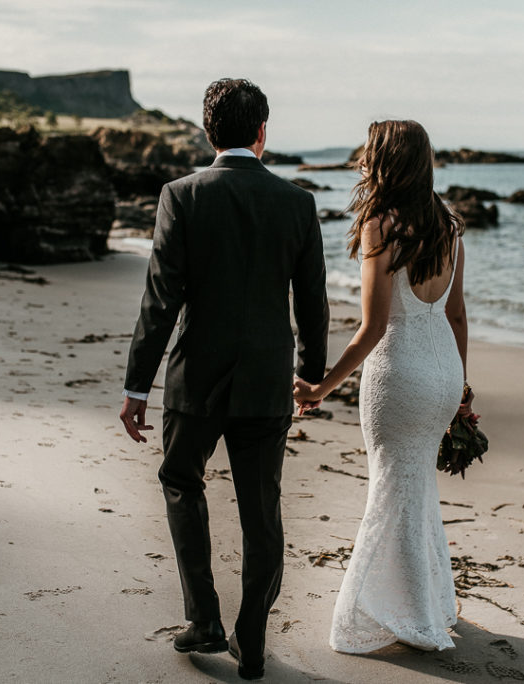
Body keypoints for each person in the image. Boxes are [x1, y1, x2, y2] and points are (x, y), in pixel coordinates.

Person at [120, 78, 330, 680]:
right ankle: (253, 638)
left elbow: (161, 300)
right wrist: (310, 378)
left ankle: (205, 619)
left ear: (209, 132)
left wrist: (137, 387)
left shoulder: (181, 196)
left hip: (196, 377)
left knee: (181, 479)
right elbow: (312, 305)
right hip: (267, 381)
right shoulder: (298, 203)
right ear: (262, 132)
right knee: (261, 509)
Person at [293, 119, 471, 653]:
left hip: (401, 378)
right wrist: (460, 390)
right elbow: (457, 316)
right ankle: (430, 601)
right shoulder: (449, 225)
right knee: (414, 488)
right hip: (442, 372)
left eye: (369, 153)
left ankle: (408, 614)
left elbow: (373, 329)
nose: (362, 162)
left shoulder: (381, 225)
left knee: (391, 489)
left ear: (387, 161)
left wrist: (321, 387)